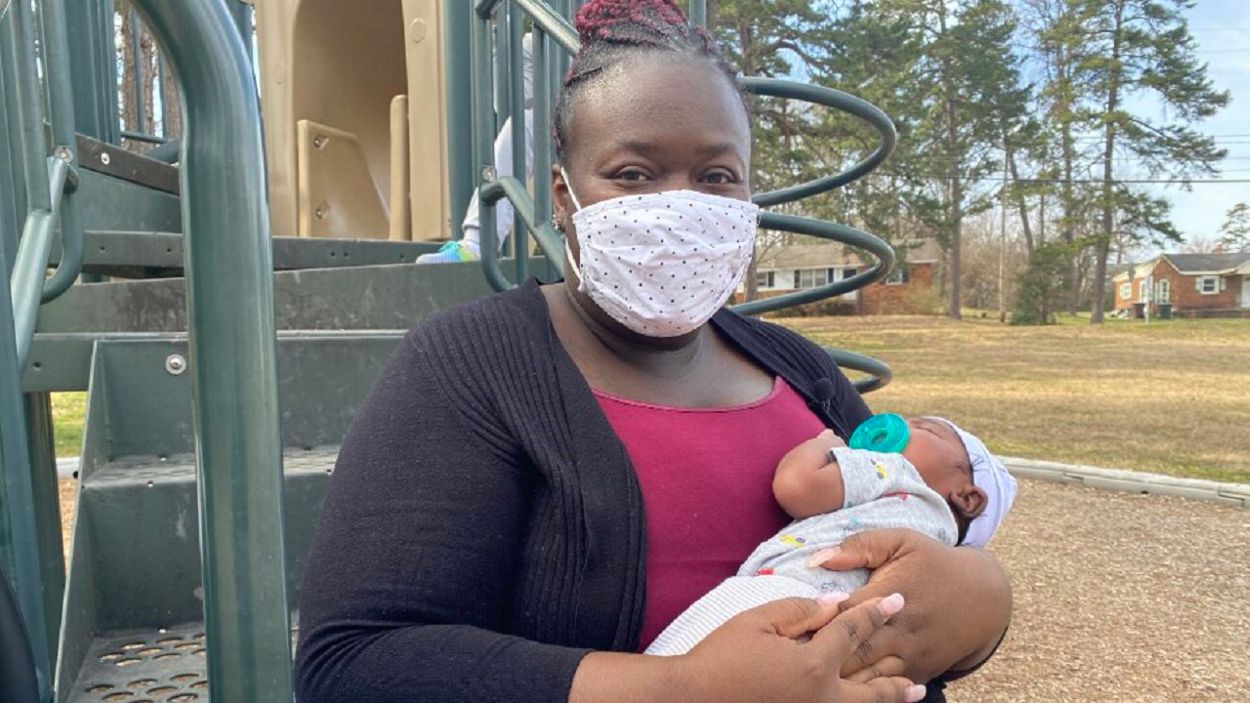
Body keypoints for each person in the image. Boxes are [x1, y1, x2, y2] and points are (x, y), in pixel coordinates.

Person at [294, 2, 1012, 702]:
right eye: (634, 174)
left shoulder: (802, 371)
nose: (681, 205)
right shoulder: (468, 366)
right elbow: (355, 662)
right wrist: (678, 689)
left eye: (717, 176)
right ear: (563, 197)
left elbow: (899, 557)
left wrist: (981, 605)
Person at [644, 415, 1018, 656]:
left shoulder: (895, 472)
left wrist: (825, 444)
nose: (902, 422)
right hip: (843, 631)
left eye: (927, 429)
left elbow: (797, 486)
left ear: (967, 496)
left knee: (675, 669)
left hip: (784, 591)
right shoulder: (938, 550)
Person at [417, 33, 535, 264]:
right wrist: (497, 34)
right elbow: (508, 103)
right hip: (575, 132)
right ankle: (476, 245)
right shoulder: (538, 40)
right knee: (522, 126)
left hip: (606, 125)